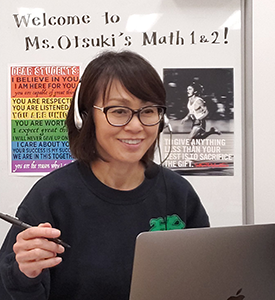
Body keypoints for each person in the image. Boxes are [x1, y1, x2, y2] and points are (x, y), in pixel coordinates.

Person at [0, 50, 209, 300]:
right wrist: (24, 274)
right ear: (85, 118)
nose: (136, 126)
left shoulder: (179, 193)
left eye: (149, 110)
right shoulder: (51, 197)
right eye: (119, 111)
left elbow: (205, 281)